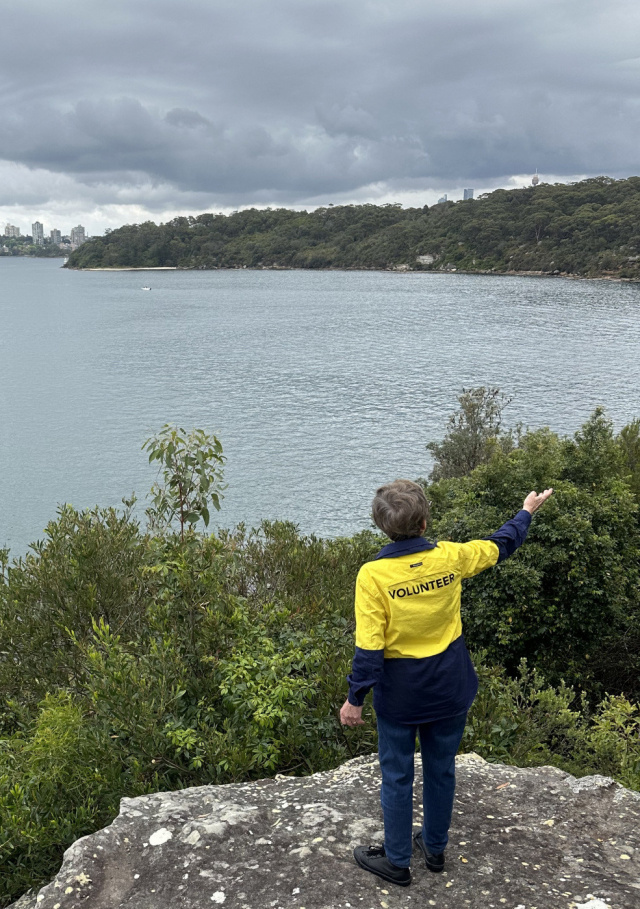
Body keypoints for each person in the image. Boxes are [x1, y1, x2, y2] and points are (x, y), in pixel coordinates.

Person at [340, 479, 553, 887]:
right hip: (450, 685)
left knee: (397, 775)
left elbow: (370, 647)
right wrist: (526, 512)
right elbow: (499, 545)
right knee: (441, 769)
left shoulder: (373, 576)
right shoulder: (449, 557)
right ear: (424, 522)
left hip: (402, 695)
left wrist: (355, 698)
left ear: (382, 527)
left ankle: (398, 861)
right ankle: (435, 849)